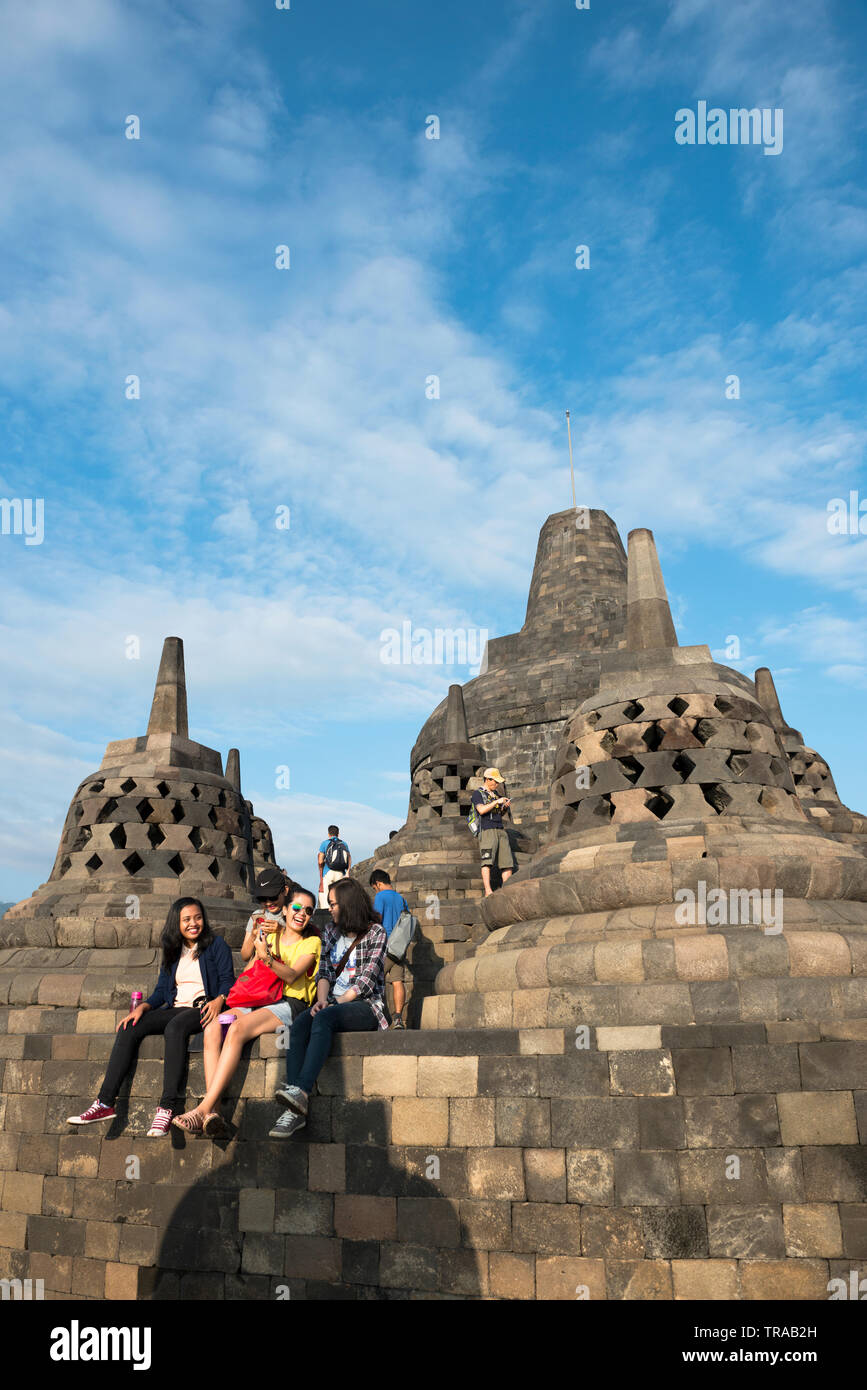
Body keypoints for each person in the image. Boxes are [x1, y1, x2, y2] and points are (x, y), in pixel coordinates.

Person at [66, 898, 233, 1136]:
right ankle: (104, 1103)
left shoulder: (217, 945)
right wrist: (143, 1007)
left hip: (203, 1009)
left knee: (174, 1028)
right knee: (130, 1027)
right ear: (176, 922)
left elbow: (228, 980)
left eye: (198, 917)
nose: (193, 923)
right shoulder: (173, 950)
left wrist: (219, 1000)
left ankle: (167, 1107)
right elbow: (161, 991)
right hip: (176, 1008)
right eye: (186, 920)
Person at [172, 888, 321, 1136]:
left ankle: (202, 1108)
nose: (301, 914)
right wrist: (255, 942)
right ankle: (214, 1113)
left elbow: (293, 975)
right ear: (285, 910)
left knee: (238, 1029)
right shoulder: (271, 938)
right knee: (213, 1027)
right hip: (261, 999)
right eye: (296, 908)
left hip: (290, 1003)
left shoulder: (311, 942)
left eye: (308, 911)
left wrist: (268, 959)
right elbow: (251, 969)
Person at [269, 876, 388, 1139]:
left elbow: (367, 980)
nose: (330, 908)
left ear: (347, 904)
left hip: (363, 1005)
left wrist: (334, 1004)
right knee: (299, 1025)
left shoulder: (376, 932)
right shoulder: (330, 933)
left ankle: (301, 1092)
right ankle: (294, 1109)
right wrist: (322, 1000)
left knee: (324, 1019)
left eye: (333, 903)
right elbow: (323, 971)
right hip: (331, 1002)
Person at [369, 868, 409, 1029]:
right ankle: (398, 1017)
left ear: (378, 884)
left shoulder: (380, 896)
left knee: (374, 979)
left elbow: (377, 918)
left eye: (374, 888)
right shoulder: (401, 898)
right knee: (397, 981)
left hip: (384, 945)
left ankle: (379, 1017)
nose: (375, 891)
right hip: (400, 947)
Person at [472, 767, 517, 897]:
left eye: (498, 782)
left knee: (507, 863)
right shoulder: (478, 794)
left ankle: (507, 890)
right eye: (495, 781)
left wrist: (504, 807)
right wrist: (497, 801)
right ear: (487, 779)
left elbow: (499, 813)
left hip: (500, 829)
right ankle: (488, 891)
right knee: (487, 861)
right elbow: (481, 810)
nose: (497, 784)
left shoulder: (496, 794)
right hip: (487, 830)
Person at [317, 824, 351, 907]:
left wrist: (321, 877)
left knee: (325, 896)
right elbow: (349, 858)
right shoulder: (344, 844)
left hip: (328, 872)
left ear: (328, 834)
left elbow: (320, 861)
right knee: (339, 896)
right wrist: (348, 872)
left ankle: (326, 914)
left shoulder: (325, 843)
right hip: (340, 873)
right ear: (338, 834)